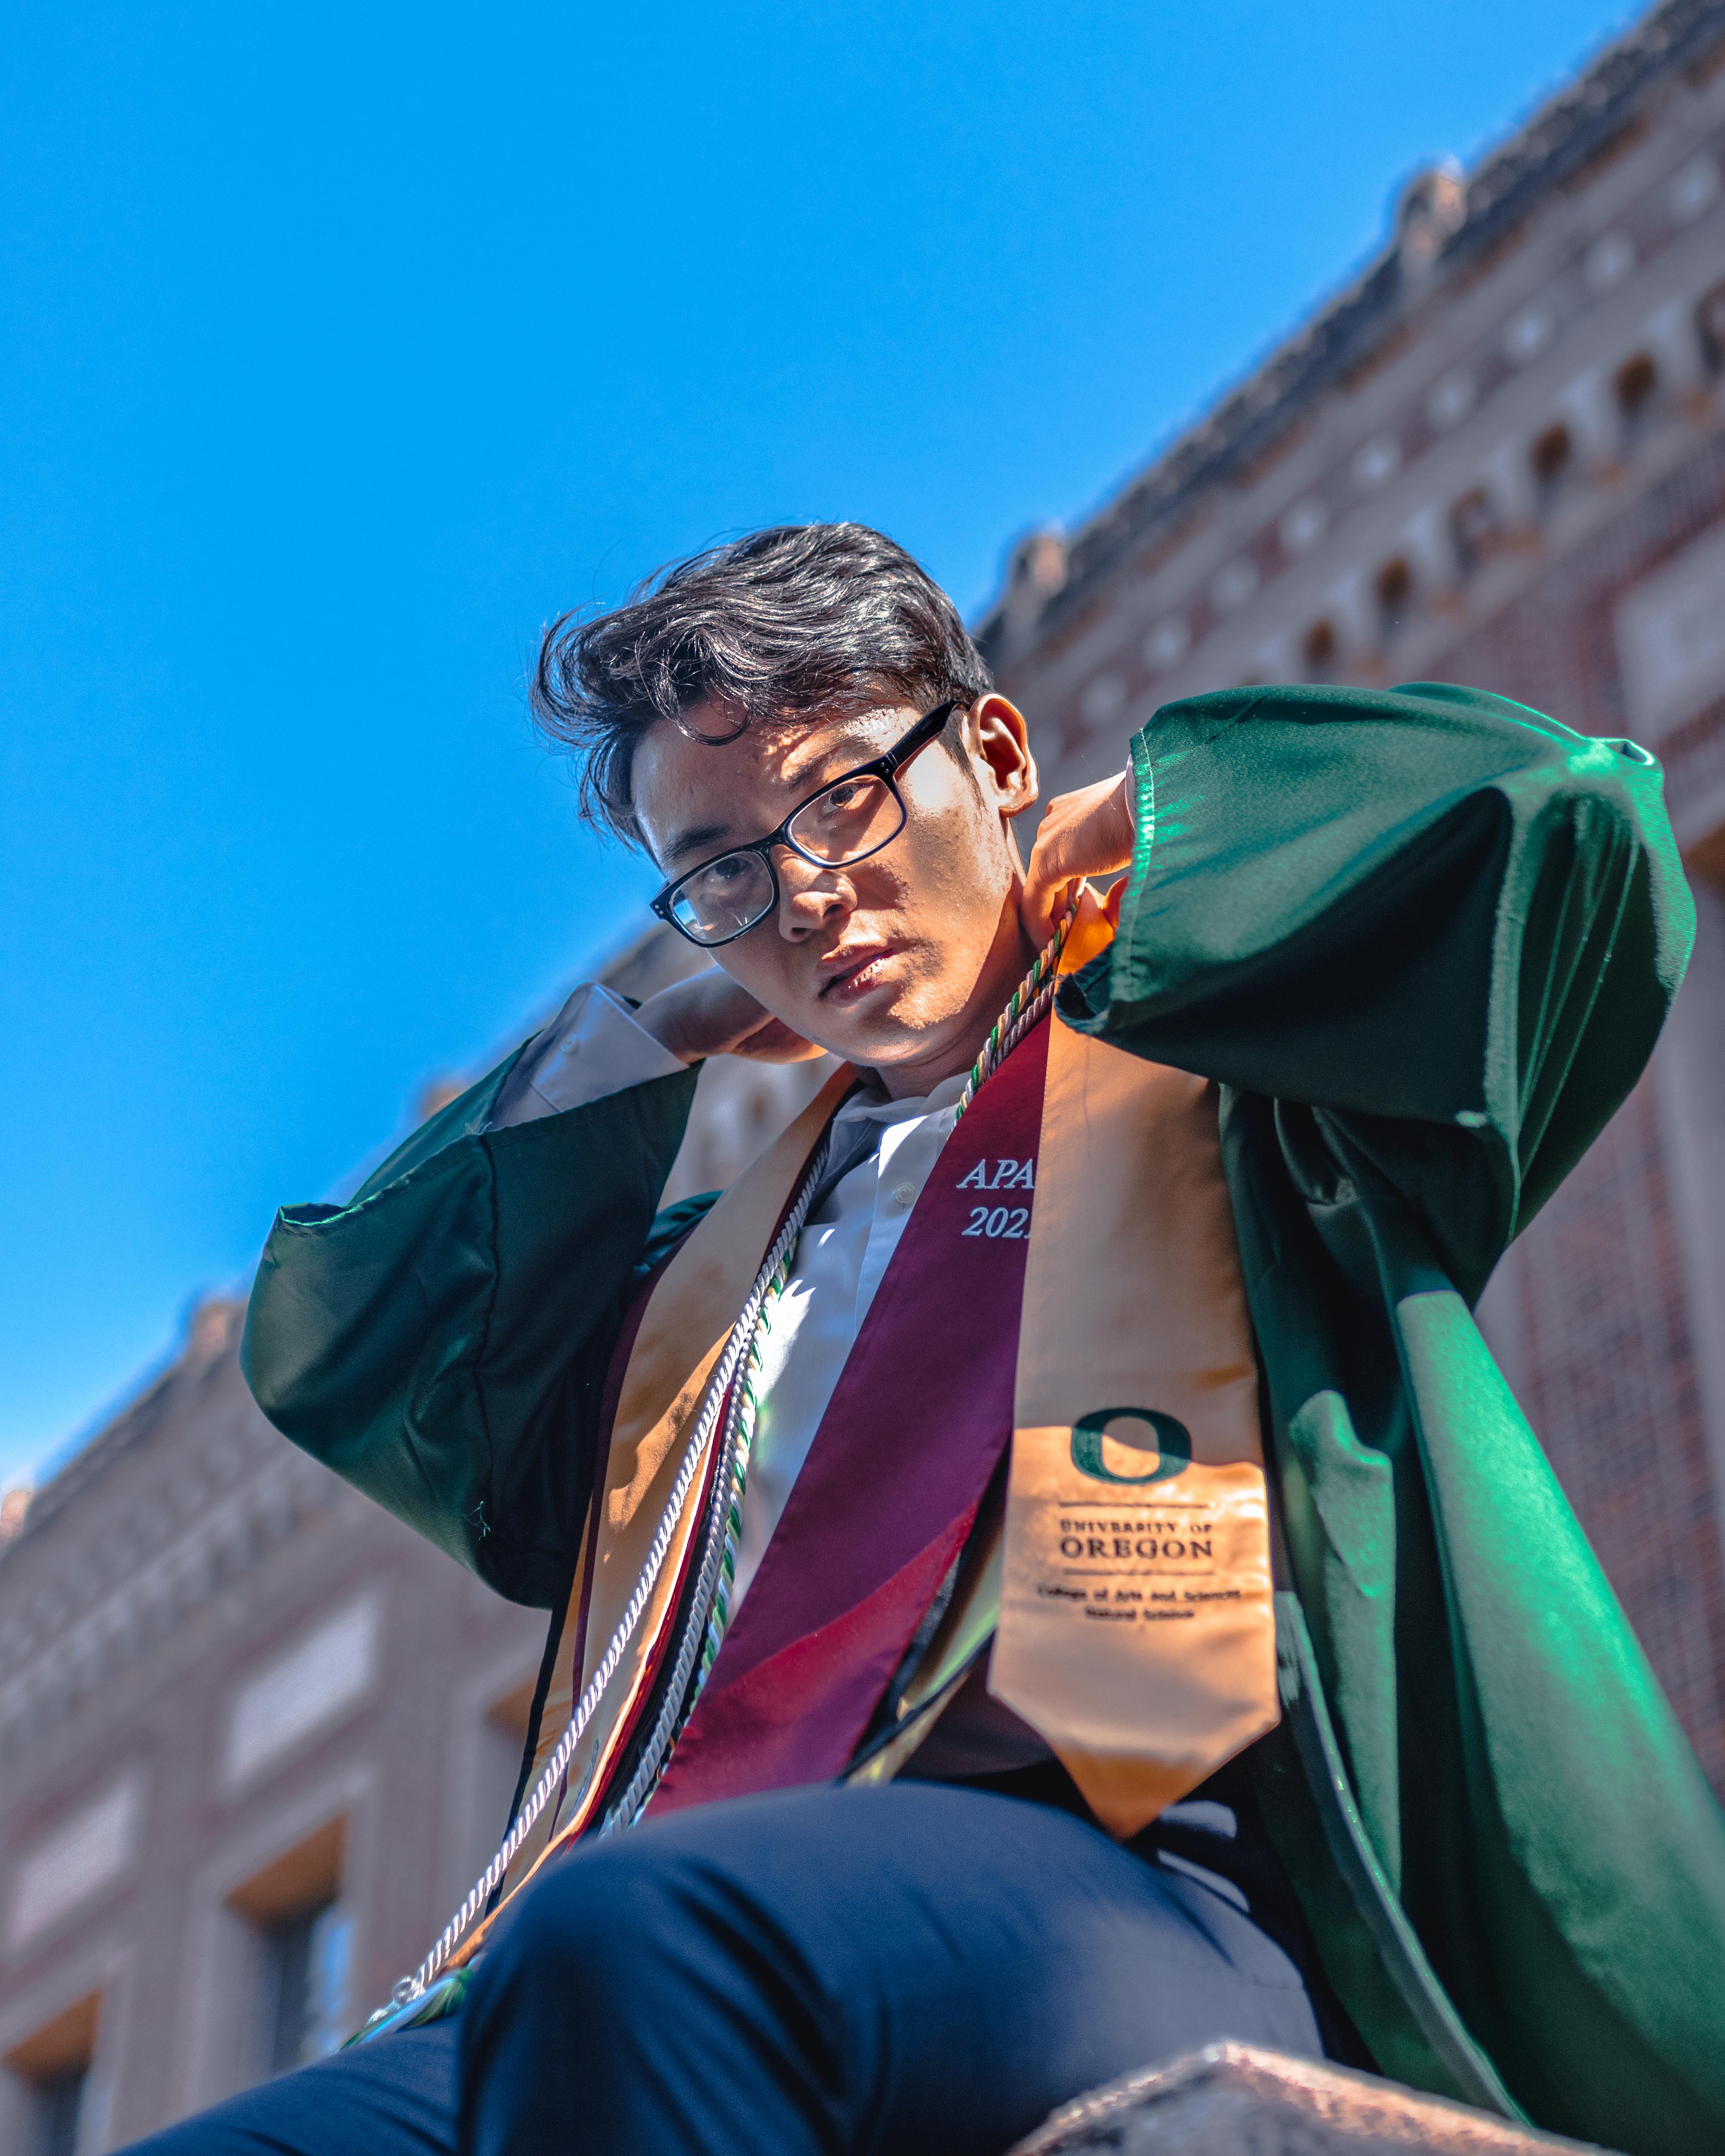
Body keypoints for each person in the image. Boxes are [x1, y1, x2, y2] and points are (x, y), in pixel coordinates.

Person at [131, 524, 1725, 2156]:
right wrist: (650, 1034)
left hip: (1145, 1879)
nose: (808, 895)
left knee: (645, 1936)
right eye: (725, 869)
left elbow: (1564, 814)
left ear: (997, 754)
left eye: (844, 799)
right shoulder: (708, 1296)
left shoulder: (1261, 1116)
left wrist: (1095, 845)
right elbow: (355, 1350)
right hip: (672, 1922)